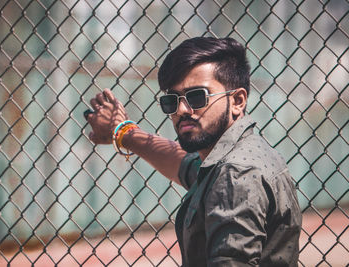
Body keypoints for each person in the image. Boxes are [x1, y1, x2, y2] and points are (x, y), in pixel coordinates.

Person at [85, 37, 302, 266]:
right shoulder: (242, 154)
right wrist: (122, 132)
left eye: (197, 97)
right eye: (172, 100)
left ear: (238, 100)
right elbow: (185, 165)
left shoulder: (236, 173)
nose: (181, 109)